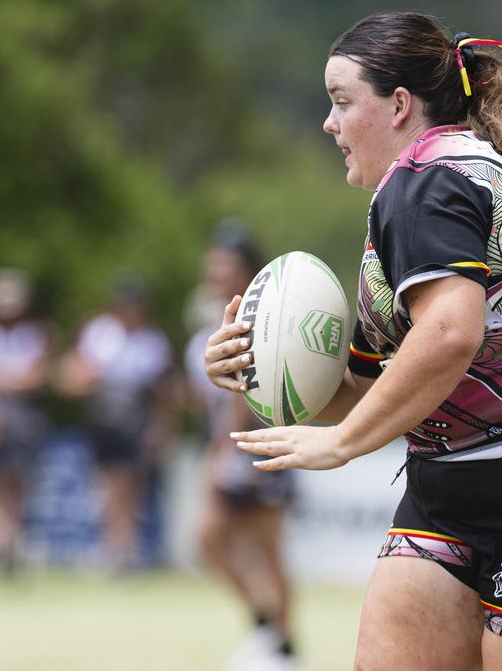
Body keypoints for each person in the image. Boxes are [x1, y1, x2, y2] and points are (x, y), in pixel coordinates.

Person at [206, 12, 502, 670]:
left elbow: (452, 333)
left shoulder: (428, 175)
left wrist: (342, 445)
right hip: (454, 487)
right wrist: (255, 366)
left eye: (342, 101)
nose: (328, 123)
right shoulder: (410, 199)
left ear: (400, 105)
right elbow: (370, 390)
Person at [186, 227, 297, 670]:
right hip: (230, 447)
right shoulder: (204, 316)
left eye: (225, 262)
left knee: (265, 548)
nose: (216, 270)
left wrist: (219, 457)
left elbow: (241, 399)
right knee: (212, 541)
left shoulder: (266, 316)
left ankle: (281, 643)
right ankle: (269, 629)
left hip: (254, 448)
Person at [59, 276, 175, 571]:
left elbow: (162, 392)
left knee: (129, 488)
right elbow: (74, 374)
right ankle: (116, 548)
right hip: (103, 419)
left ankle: (125, 548)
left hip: (134, 422)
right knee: (109, 487)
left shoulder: (152, 342)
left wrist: (161, 429)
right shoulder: (100, 334)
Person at [0, 267, 50, 569]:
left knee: (18, 481)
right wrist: (9, 378)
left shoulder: (33, 334)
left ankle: (11, 541)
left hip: (21, 420)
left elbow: (34, 378)